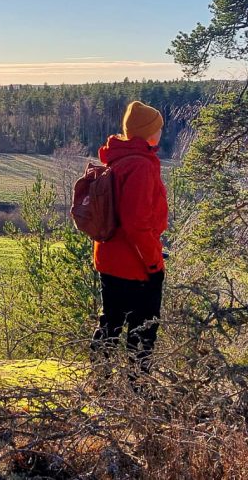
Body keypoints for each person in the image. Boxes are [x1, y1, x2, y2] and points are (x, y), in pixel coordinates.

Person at [91, 100, 168, 374]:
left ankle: (100, 383)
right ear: (147, 133)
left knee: (110, 321)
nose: (161, 132)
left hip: (108, 257)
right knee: (143, 328)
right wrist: (154, 264)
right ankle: (139, 390)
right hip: (134, 264)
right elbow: (137, 223)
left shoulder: (118, 158)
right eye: (158, 127)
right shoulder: (142, 165)